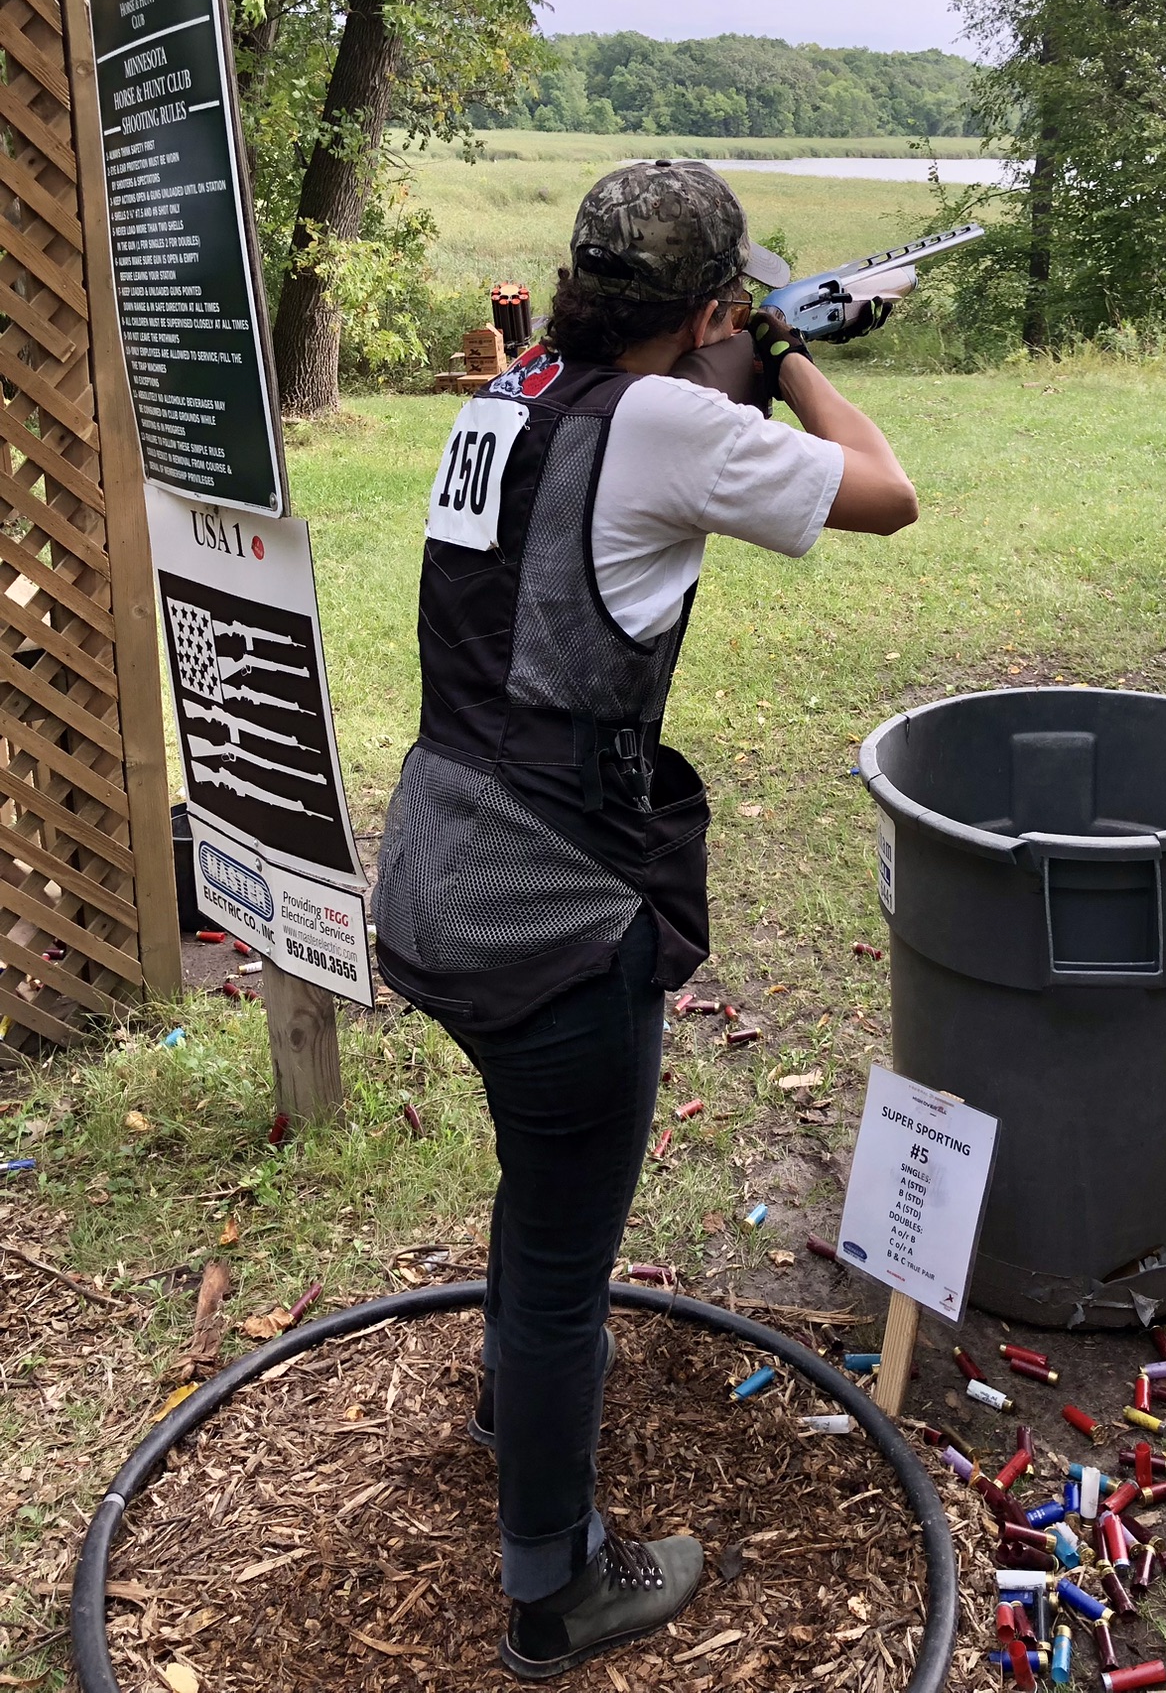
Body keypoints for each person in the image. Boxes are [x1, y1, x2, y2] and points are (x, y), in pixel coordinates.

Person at [371, 160, 917, 1681]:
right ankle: (556, 1587)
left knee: (539, 1198)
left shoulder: (515, 389)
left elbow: (615, 428)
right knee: (563, 1265)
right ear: (714, 304)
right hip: (550, 905)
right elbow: (887, 492)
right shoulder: (677, 419)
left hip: (432, 858)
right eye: (734, 310)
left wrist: (740, 335)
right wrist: (806, 350)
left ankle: (510, 1402)